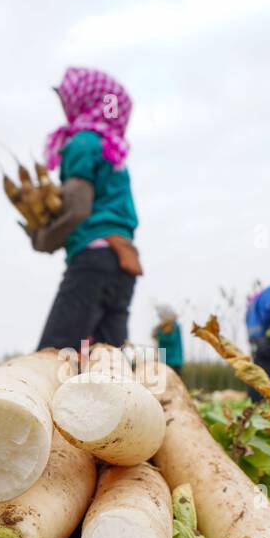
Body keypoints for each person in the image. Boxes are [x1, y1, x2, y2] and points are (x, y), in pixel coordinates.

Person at [30, 67, 140, 353]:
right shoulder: (112, 150)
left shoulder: (82, 142)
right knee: (107, 360)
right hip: (123, 263)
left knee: (55, 354)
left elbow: (77, 208)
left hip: (94, 261)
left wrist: (44, 238)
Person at [152, 304, 184, 373]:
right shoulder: (161, 327)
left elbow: (171, 339)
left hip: (174, 361)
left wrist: (159, 335)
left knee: (173, 382)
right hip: (163, 360)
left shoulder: (174, 326)